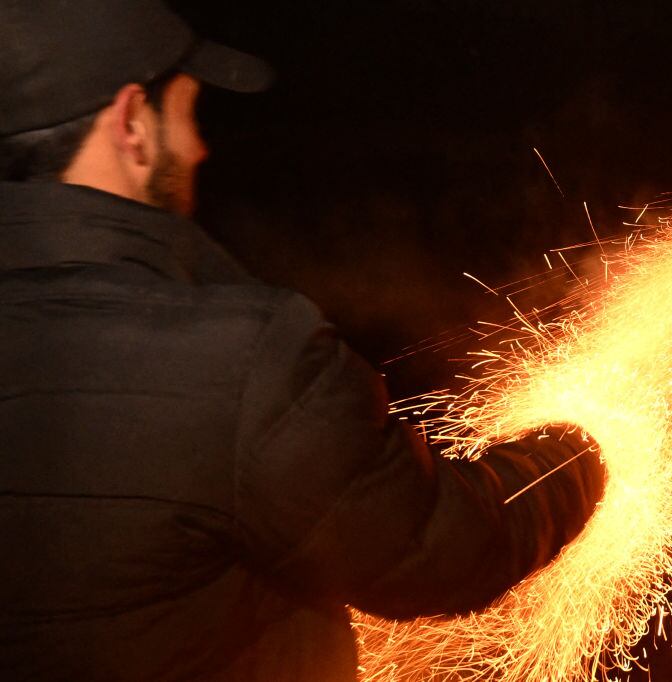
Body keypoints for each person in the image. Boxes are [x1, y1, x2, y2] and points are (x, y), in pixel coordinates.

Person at [0, 1, 605, 679]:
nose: (199, 147)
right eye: (187, 113)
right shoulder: (238, 360)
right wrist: (573, 458)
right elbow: (435, 552)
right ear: (133, 124)